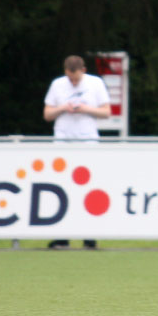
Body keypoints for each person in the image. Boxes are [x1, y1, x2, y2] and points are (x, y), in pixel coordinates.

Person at [43, 55, 111, 249]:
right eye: (70, 78)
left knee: (89, 189)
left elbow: (106, 112)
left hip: (87, 140)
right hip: (63, 140)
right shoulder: (57, 85)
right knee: (61, 188)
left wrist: (85, 109)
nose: (73, 82)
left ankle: (89, 236)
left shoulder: (95, 83)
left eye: (76, 78)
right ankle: (62, 236)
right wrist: (63, 107)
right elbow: (47, 114)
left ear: (83, 70)